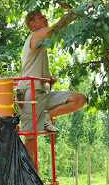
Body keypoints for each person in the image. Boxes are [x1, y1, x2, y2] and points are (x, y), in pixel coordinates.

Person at [16, 10, 87, 162]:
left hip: (42, 92)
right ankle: (30, 179)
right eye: (41, 17)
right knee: (30, 138)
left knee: (79, 99)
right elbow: (57, 28)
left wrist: (47, 80)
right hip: (29, 93)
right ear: (32, 24)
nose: (46, 18)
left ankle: (46, 117)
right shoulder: (35, 36)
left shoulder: (41, 43)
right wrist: (75, 13)